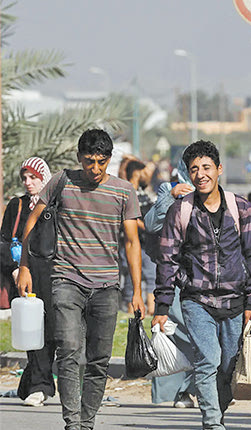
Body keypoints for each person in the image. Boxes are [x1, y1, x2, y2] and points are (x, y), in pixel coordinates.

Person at [16, 129, 146, 430]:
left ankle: (86, 422)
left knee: (99, 359)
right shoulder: (61, 182)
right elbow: (31, 223)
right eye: (89, 161)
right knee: (70, 351)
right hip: (66, 281)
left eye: (102, 161)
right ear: (79, 158)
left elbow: (131, 243)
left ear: (110, 160)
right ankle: (73, 423)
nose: (95, 168)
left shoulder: (124, 191)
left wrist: (137, 291)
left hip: (107, 287)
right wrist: (24, 266)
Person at [152, 140, 251, 430]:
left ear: (219, 169)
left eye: (206, 167)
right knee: (208, 360)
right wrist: (164, 304)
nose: (200, 174)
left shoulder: (240, 207)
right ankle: (213, 423)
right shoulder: (181, 210)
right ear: (188, 175)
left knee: (228, 366)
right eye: (194, 169)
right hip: (197, 301)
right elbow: (167, 259)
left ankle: (219, 411)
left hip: (235, 301)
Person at [144, 157, 197, 409]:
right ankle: (178, 391)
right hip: (173, 273)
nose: (197, 173)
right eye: (193, 167)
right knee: (174, 330)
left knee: (202, 334)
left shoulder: (215, 193)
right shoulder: (169, 190)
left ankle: (192, 388)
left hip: (205, 274)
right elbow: (152, 223)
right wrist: (172, 196)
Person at [1, 157, 54, 406]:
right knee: (34, 330)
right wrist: (14, 269)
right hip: (25, 277)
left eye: (33, 177)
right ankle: (40, 386)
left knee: (55, 331)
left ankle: (36, 382)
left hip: (54, 275)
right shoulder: (18, 206)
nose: (28, 182)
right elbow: (4, 240)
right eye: (24, 178)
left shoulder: (55, 203)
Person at [120, 159, 158, 315]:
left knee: (151, 278)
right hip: (128, 243)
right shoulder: (126, 192)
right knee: (130, 279)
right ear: (136, 173)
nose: (147, 175)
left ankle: (151, 311)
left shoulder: (144, 194)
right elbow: (129, 219)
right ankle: (132, 312)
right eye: (144, 172)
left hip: (146, 244)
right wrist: (146, 226)